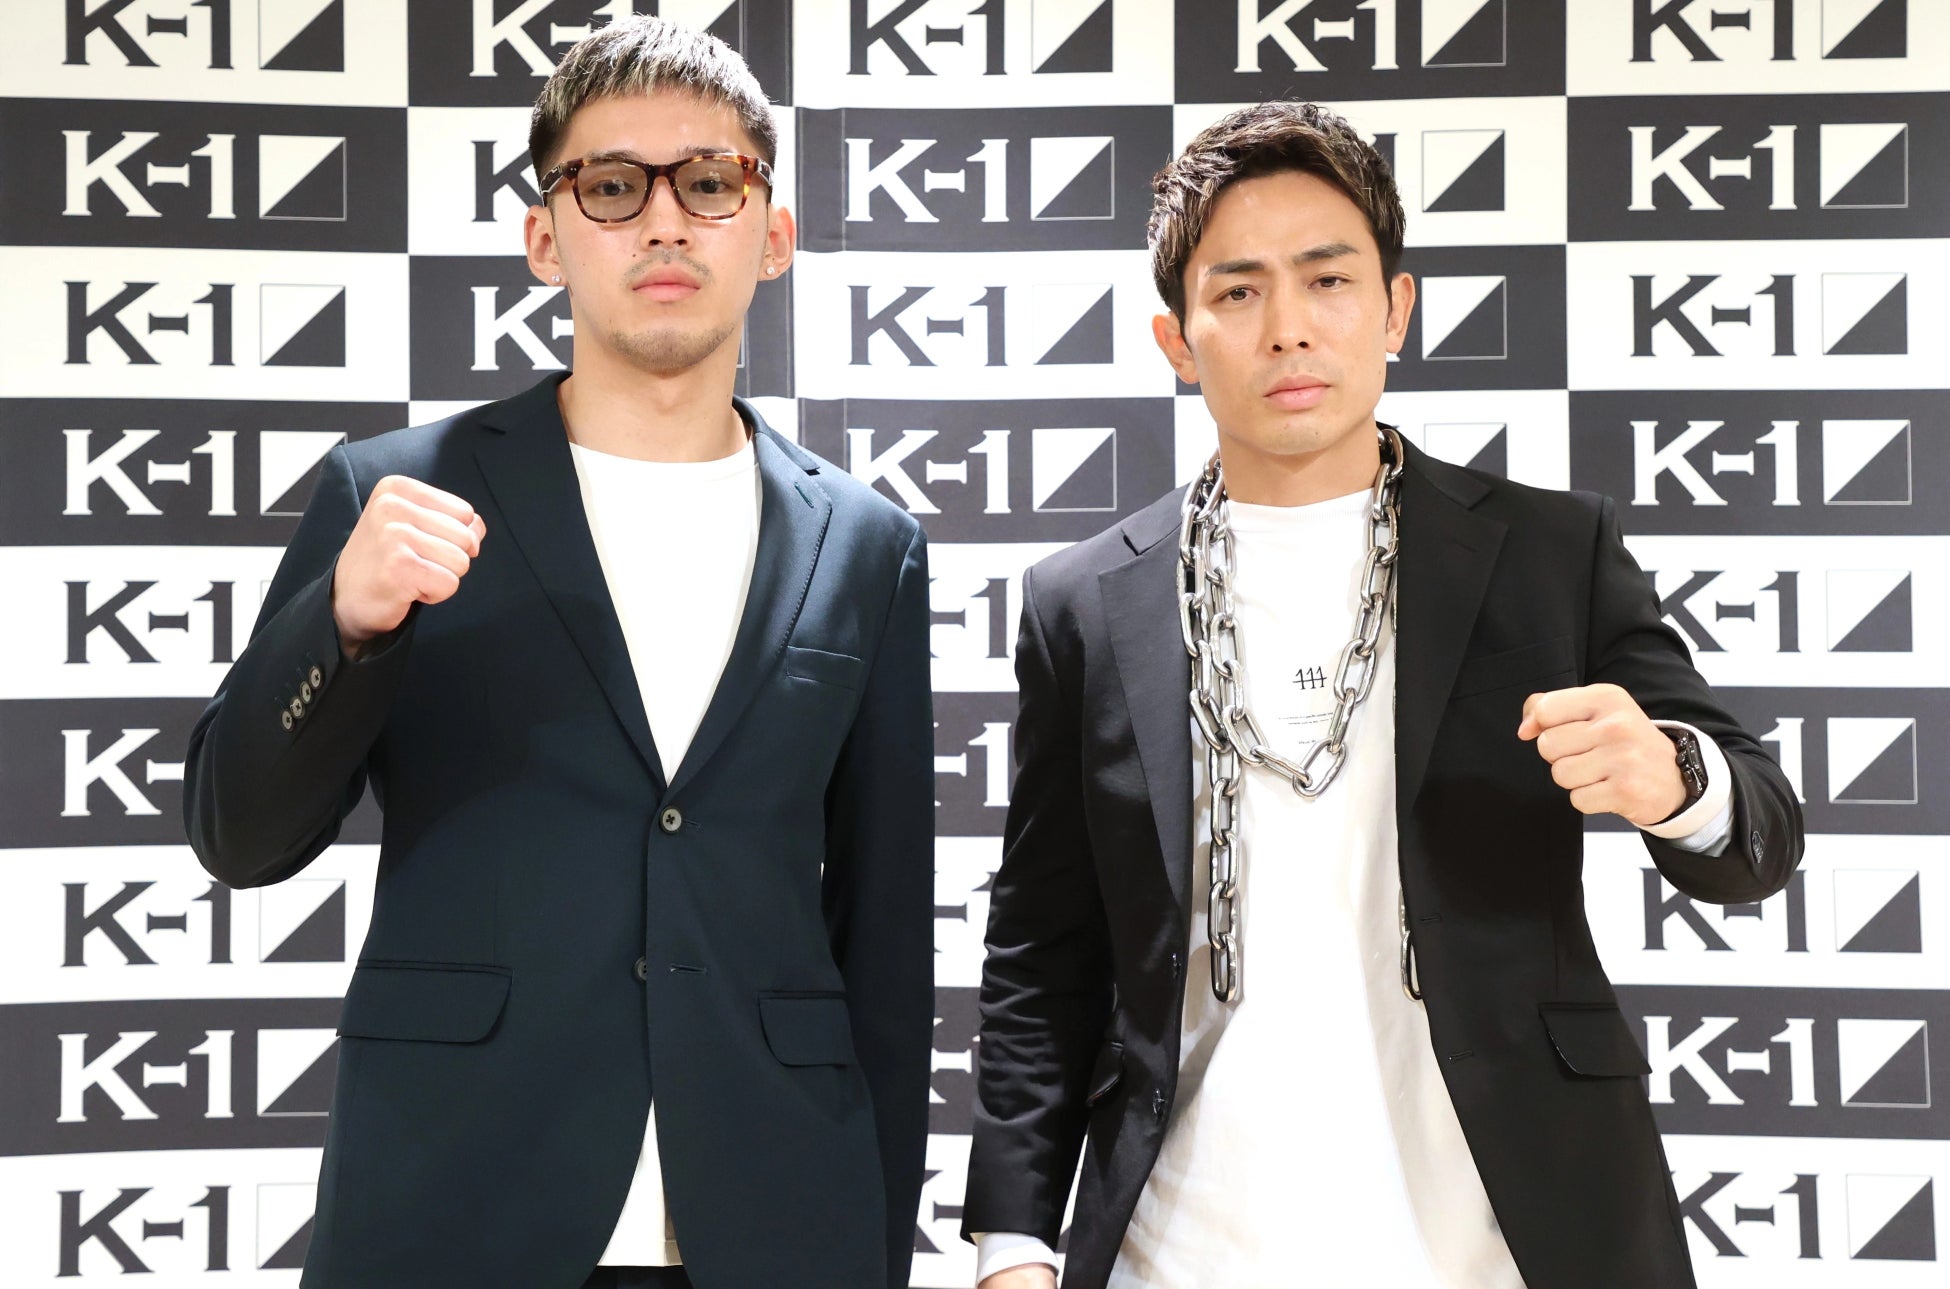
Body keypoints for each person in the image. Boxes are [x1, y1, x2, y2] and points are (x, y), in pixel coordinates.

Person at [961, 100, 1803, 1289]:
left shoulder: (1549, 553)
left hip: (1501, 1239)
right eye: (1239, 290)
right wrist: (1010, 1242)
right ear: (1177, 339)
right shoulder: (1086, 603)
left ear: (1397, 309)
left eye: (1329, 280)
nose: (1289, 328)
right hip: (1183, 1244)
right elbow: (1042, 947)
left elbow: (1760, 834)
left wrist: (1677, 778)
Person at [183, 18, 932, 1289]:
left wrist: (875, 1248)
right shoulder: (395, 493)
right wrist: (345, 621)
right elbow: (236, 834)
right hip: (452, 1204)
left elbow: (887, 945)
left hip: (774, 1217)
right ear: (547, 238)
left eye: (710, 182)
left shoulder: (868, 543)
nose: (665, 222)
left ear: (773, 233)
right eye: (613, 185)